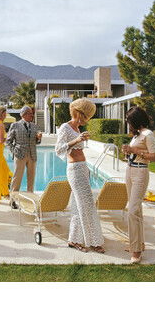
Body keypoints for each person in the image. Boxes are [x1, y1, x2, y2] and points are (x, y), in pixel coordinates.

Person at [55, 98, 105, 254]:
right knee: (88, 204)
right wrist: (76, 140)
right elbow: (58, 149)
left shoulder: (77, 129)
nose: (86, 120)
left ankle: (74, 240)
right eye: (85, 116)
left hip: (83, 168)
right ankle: (94, 242)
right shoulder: (65, 127)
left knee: (78, 206)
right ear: (77, 112)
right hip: (74, 170)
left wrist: (80, 138)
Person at [121, 106, 155, 263]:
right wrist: (128, 151)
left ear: (136, 120)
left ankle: (136, 251)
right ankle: (137, 244)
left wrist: (135, 151)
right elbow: (134, 151)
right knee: (137, 211)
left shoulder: (148, 134)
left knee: (132, 211)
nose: (128, 123)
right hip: (130, 171)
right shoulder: (137, 134)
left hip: (140, 172)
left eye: (129, 120)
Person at [6, 105, 42, 207]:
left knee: (31, 179)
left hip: (32, 155)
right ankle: (12, 200)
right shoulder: (15, 125)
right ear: (24, 114)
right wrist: (15, 151)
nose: (32, 115)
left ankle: (30, 201)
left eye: (32, 113)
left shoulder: (35, 126)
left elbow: (37, 142)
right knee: (17, 178)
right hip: (20, 155)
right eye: (30, 113)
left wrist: (38, 138)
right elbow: (8, 141)